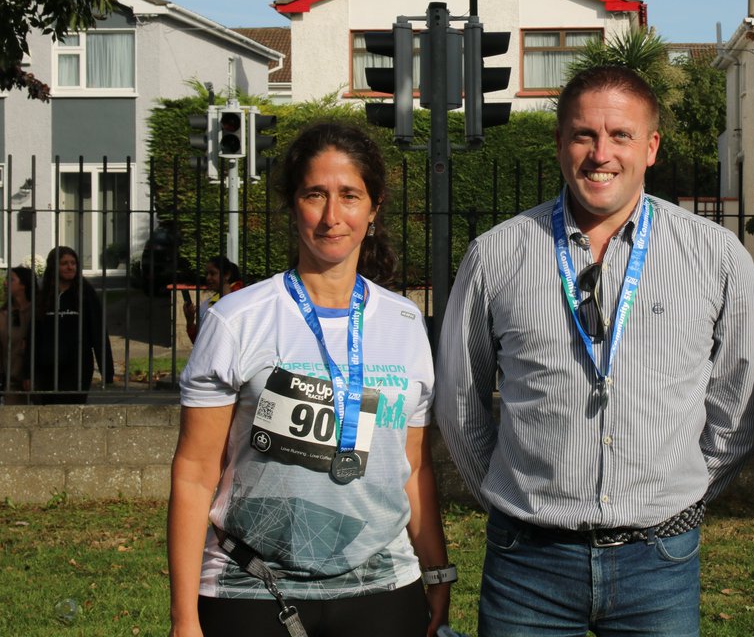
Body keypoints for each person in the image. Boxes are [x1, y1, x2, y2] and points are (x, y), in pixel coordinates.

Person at [436, 64, 754, 637]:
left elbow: (744, 403)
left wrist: (678, 495)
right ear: (560, 143)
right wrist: (515, 496)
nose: (601, 154)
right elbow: (460, 400)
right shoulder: (496, 255)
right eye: (584, 134)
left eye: (621, 135)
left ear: (652, 147)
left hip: (658, 563)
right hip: (528, 563)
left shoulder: (716, 257)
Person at [168, 122, 453, 637]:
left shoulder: (406, 323)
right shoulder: (239, 319)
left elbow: (413, 466)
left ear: (374, 206)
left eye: (349, 196)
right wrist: (185, 619)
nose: (331, 217)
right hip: (252, 588)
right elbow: (193, 471)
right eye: (314, 195)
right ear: (293, 203)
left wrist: (437, 570)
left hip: (383, 589)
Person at [32, 246, 114, 404]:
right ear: (53, 266)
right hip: (47, 365)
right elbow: (34, 334)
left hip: (78, 365)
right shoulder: (43, 295)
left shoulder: (85, 293)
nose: (70, 267)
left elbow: (98, 331)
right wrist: (30, 372)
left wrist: (107, 370)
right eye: (64, 263)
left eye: (73, 263)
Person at [182, 257, 244, 343]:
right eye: (206, 274)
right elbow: (199, 342)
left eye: (212, 273)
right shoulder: (209, 303)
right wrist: (190, 321)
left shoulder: (241, 298)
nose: (208, 278)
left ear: (227, 275)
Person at [1, 266, 36, 404]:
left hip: (38, 379)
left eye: (11, 280)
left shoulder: (37, 311)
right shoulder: (3, 315)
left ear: (24, 285)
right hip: (12, 381)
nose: (5, 283)